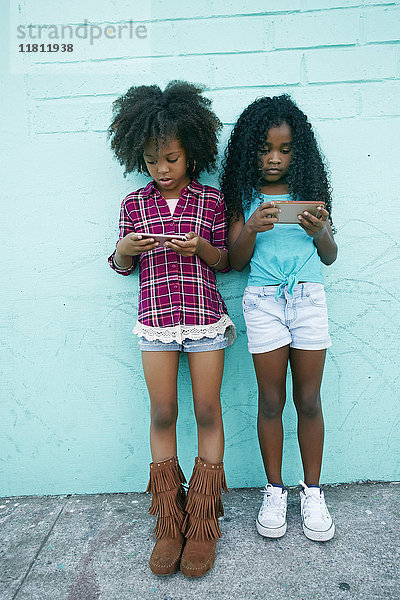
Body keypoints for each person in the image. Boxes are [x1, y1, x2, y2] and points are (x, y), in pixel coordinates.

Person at [108, 81, 235, 577]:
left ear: (192, 152)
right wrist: (126, 251)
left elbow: (225, 260)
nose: (162, 169)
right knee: (162, 411)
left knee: (207, 409)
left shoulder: (210, 199)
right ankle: (169, 523)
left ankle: (203, 524)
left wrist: (199, 248)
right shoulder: (134, 204)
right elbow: (119, 264)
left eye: (172, 158)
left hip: (204, 316)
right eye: (152, 160)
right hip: (156, 320)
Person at [220, 94, 337, 542]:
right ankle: (274, 490)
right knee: (271, 401)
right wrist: (250, 226)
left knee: (309, 400)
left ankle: (312, 491)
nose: (274, 158)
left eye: (285, 150)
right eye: (265, 148)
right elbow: (235, 257)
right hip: (264, 301)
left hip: (308, 299)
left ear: (298, 151)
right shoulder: (242, 195)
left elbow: (329, 256)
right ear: (250, 148)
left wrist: (319, 230)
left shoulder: (312, 193)